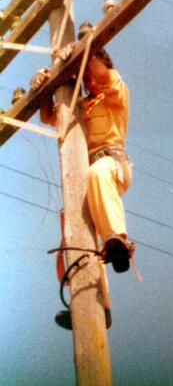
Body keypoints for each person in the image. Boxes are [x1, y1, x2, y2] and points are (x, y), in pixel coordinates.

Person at [31, 23, 135, 274]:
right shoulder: (80, 104)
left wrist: (84, 50)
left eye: (88, 75)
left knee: (98, 172)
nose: (88, 82)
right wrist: (43, 87)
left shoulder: (116, 93)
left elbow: (102, 76)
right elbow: (48, 117)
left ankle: (118, 239)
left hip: (111, 163)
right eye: (84, 79)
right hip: (85, 171)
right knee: (76, 213)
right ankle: (102, 254)